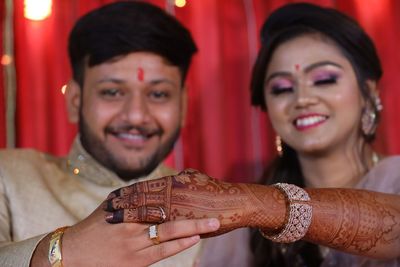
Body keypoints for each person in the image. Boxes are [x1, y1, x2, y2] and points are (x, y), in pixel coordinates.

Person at [104, 3, 400, 267]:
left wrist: (256, 206)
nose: (302, 98)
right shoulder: (241, 228)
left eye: (323, 80)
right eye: (282, 88)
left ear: (369, 92)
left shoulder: (394, 180)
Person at [0, 2, 226, 266]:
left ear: (183, 106)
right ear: (75, 101)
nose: (136, 116)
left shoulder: (207, 209)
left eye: (158, 94)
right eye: (112, 92)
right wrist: (65, 251)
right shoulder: (9, 177)